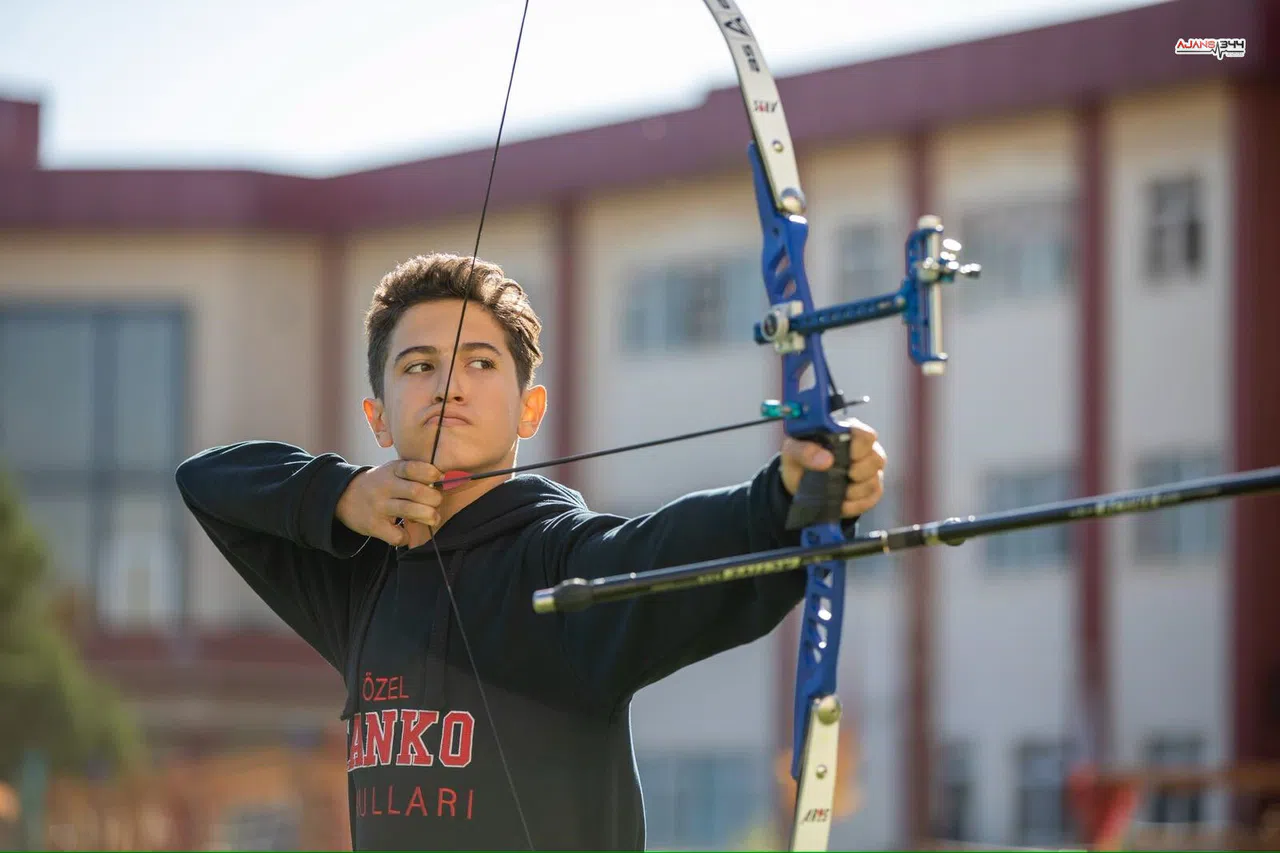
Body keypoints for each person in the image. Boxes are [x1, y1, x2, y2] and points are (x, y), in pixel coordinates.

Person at [175, 252, 888, 851]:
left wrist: (791, 499)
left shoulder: (559, 565)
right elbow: (207, 481)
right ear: (378, 416)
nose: (448, 383)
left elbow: (667, 550)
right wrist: (345, 494)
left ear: (530, 409)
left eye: (479, 362)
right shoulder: (363, 579)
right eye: (418, 365)